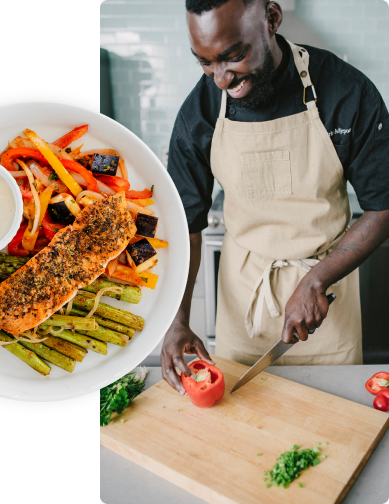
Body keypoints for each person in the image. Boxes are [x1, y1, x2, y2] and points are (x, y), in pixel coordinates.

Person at [162, 0, 389, 395]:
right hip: (243, 316)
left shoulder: (346, 92)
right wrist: (175, 318)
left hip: (328, 311)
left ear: (271, 18)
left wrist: (317, 279)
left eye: (234, 56)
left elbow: (382, 206)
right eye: (205, 62)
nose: (220, 79)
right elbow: (185, 226)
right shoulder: (198, 113)